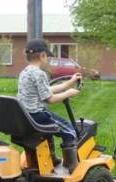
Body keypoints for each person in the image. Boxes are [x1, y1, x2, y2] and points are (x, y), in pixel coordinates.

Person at [17, 38, 82, 171]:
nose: (47, 58)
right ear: (42, 56)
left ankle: (52, 159)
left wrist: (69, 83)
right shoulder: (39, 74)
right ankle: (72, 167)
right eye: (47, 56)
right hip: (38, 115)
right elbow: (50, 99)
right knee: (70, 132)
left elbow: (44, 91)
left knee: (48, 133)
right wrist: (68, 93)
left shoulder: (25, 72)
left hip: (26, 115)